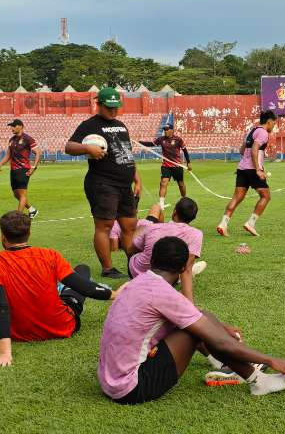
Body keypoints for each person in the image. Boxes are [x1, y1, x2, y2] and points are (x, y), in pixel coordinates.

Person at [98, 237, 285, 404]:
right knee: (197, 329)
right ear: (185, 266)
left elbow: (191, 312)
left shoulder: (140, 281)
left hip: (109, 380)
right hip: (132, 387)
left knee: (202, 320)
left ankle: (224, 365)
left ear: (152, 260)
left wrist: (220, 326)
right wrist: (270, 360)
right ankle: (258, 381)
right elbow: (220, 341)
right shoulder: (163, 292)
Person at [0, 210, 116, 368]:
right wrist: (115, 295)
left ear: (2, 236)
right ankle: (62, 291)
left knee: (75, 277)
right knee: (82, 270)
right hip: (62, 326)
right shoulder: (49, 255)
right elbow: (84, 288)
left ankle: (60, 290)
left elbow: (0, 304)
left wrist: (5, 353)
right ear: (29, 233)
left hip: (20, 334)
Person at [64, 88, 143, 279]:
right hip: (102, 183)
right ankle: (108, 268)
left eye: (116, 107)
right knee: (105, 226)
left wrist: (137, 179)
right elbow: (69, 147)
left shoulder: (121, 125)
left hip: (125, 184)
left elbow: (127, 155)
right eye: (109, 107)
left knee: (130, 225)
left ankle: (134, 265)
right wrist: (86, 148)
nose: (113, 111)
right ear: (98, 104)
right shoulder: (89, 125)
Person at [126, 197, 203, 300]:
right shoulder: (196, 234)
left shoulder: (152, 228)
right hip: (167, 278)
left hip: (137, 272)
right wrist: (190, 303)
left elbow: (131, 250)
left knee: (152, 212)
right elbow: (186, 270)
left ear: (174, 212)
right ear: (193, 217)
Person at [217, 110, 276, 237]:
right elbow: (254, 149)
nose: (274, 126)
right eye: (274, 124)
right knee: (266, 196)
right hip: (253, 170)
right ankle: (251, 223)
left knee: (237, 198)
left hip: (242, 169)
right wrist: (258, 169)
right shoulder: (263, 133)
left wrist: (248, 162)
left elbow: (242, 150)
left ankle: (223, 224)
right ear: (269, 121)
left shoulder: (252, 131)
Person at [0, 119, 41, 218]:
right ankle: (32, 210)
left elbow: (38, 152)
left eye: (13, 126)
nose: (11, 128)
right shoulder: (11, 140)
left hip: (23, 169)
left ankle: (18, 217)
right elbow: (8, 155)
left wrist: (34, 167)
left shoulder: (28, 139)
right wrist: (1, 163)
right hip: (13, 171)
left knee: (22, 195)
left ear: (20, 126)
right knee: (16, 194)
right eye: (11, 126)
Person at [138, 124, 191, 208]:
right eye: (164, 129)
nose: (165, 131)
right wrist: (140, 142)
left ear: (172, 130)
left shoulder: (178, 139)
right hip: (166, 165)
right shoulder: (161, 139)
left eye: (167, 129)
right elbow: (151, 144)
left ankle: (184, 199)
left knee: (181, 184)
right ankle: (161, 203)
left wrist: (188, 162)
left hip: (177, 166)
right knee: (163, 183)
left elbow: (185, 150)